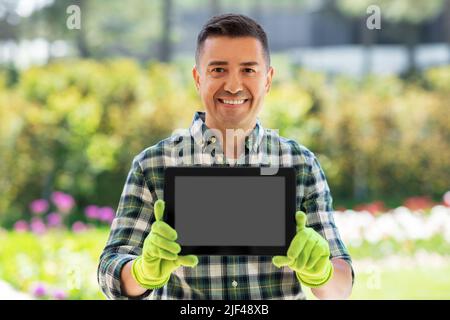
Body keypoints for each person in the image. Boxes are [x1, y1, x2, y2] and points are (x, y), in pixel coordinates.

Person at [97, 13, 354, 300]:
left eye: (248, 70)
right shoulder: (153, 166)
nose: (233, 85)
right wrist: (143, 271)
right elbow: (110, 271)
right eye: (218, 70)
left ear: (268, 80)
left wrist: (321, 272)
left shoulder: (301, 165)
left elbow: (340, 287)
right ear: (198, 78)